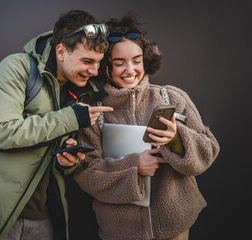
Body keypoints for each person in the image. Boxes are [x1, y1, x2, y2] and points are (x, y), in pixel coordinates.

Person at [0, 10, 113, 240]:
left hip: (44, 219)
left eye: (99, 63)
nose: (94, 71)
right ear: (61, 51)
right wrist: (71, 118)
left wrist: (66, 162)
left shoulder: (81, 92)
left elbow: (54, 156)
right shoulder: (17, 67)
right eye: (87, 61)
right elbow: (1, 133)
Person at [73, 12, 220, 240]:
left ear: (146, 59)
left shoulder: (172, 98)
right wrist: (134, 167)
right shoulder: (94, 113)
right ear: (106, 67)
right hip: (119, 232)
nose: (130, 70)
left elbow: (208, 152)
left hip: (175, 228)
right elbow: (85, 174)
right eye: (119, 63)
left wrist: (176, 138)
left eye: (136, 60)